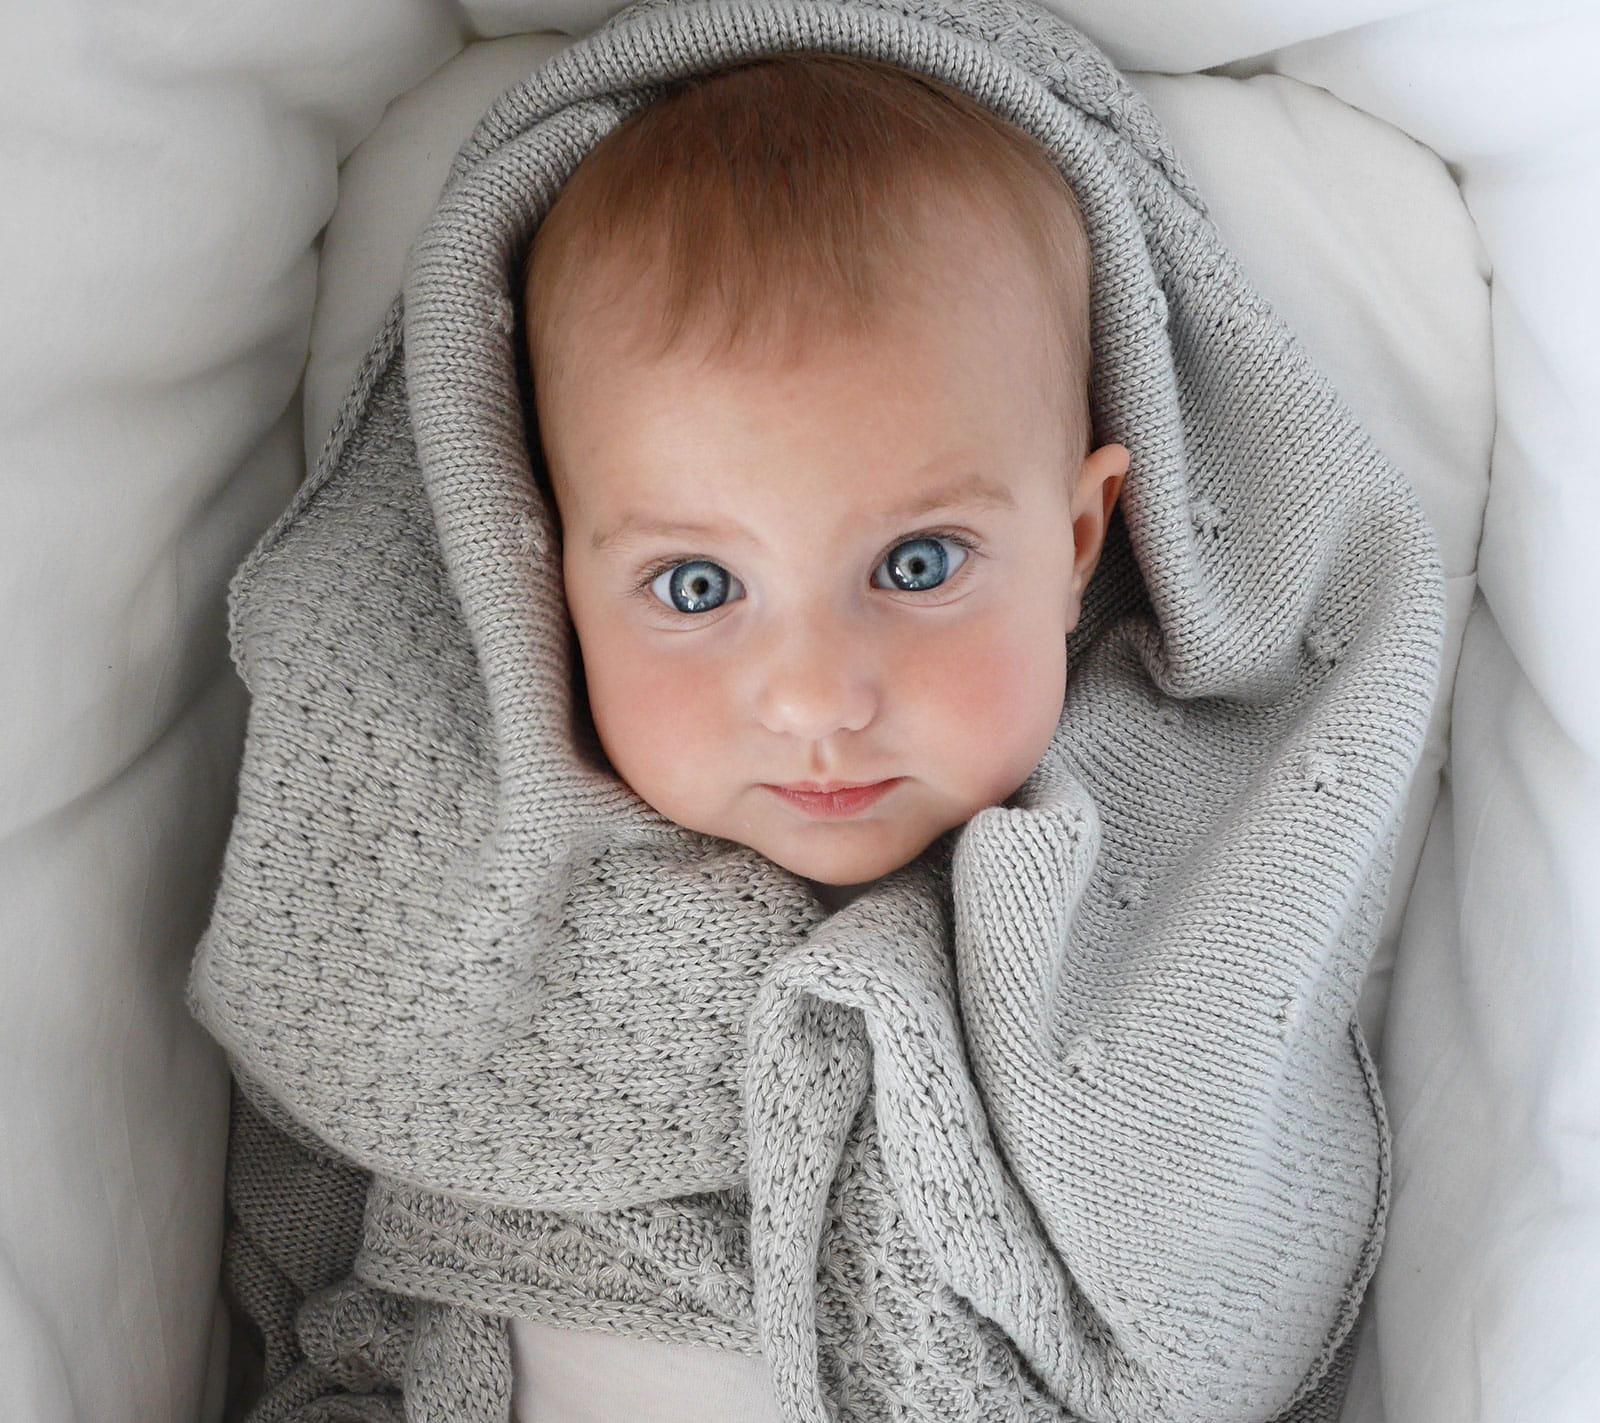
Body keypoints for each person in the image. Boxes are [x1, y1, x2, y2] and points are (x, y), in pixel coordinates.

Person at [187, 0, 1446, 1419]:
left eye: (917, 566)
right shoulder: (466, 930)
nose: (814, 698)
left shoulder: (1148, 926)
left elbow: (1220, 1275)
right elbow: (331, 1218)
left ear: (1079, 542)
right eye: (697, 586)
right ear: (538, 578)